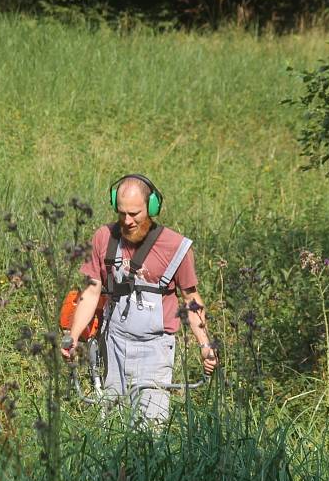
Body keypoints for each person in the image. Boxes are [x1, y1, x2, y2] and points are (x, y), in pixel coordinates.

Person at [61, 174, 218, 420]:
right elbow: (91, 292)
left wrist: (205, 345)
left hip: (155, 350)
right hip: (113, 344)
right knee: (112, 425)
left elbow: (191, 300)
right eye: (122, 212)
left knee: (149, 432)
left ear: (152, 207)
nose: (128, 220)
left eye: (135, 213)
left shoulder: (175, 247)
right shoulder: (104, 238)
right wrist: (72, 335)